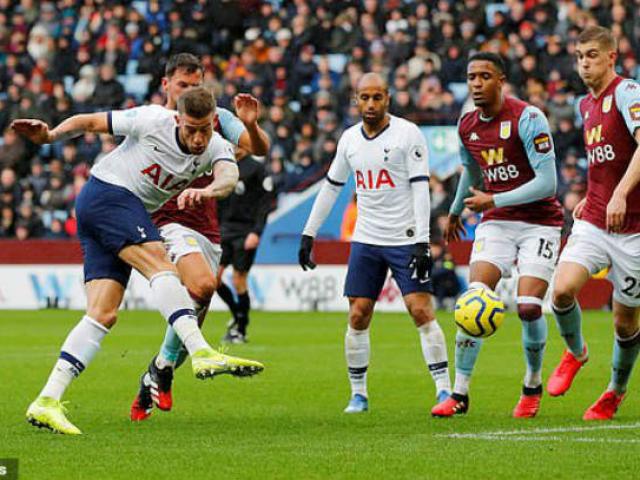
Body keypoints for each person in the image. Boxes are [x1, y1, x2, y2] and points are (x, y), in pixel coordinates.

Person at [12, 87, 264, 435]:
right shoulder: (152, 120)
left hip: (106, 212)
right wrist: (52, 134)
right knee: (161, 265)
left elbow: (228, 177)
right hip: (108, 194)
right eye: (191, 128)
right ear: (178, 119)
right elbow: (91, 121)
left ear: (213, 123)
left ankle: (47, 400)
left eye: (205, 128)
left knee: (103, 313)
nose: (198, 137)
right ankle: (200, 350)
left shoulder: (217, 145)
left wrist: (206, 192)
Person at [299, 72, 451, 414]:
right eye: (364, 97)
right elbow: (331, 187)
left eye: (376, 97)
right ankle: (358, 394)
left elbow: (419, 187)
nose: (370, 104)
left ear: (388, 98)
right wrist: (309, 232)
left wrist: (423, 243)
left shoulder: (407, 133)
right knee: (358, 313)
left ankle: (444, 389)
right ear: (356, 100)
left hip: (404, 239)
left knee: (421, 310)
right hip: (366, 240)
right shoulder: (349, 139)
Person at [129, 53, 270, 421]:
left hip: (207, 226)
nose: (190, 92)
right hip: (165, 222)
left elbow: (259, 148)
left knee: (191, 321)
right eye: (183, 85)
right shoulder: (149, 120)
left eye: (196, 85)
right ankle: (159, 371)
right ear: (166, 85)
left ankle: (156, 374)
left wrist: (251, 127)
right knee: (204, 286)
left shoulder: (218, 117)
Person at [431, 52, 563, 418]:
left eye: (484, 76)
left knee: (528, 307)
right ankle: (460, 394)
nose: (476, 83)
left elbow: (549, 183)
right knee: (473, 301)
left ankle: (532, 384)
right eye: (471, 76)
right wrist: (455, 210)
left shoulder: (529, 118)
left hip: (540, 221)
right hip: (497, 221)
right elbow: (471, 171)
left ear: (500, 80)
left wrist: (493, 197)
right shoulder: (467, 124)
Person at [547, 26, 640, 420]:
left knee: (624, 322)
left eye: (591, 55)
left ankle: (614, 392)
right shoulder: (586, 105)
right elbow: (604, 160)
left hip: (634, 230)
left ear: (610, 58)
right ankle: (576, 351)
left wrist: (620, 193)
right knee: (562, 290)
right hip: (597, 221)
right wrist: (595, 193)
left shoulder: (627, 93)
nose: (583, 62)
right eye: (579, 55)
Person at [218, 146, 274, 344]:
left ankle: (241, 329)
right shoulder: (222, 164)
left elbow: (265, 203)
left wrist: (257, 232)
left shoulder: (257, 169)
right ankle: (237, 314)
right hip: (223, 229)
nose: (235, 146)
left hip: (245, 230)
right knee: (213, 278)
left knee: (238, 279)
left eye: (240, 142)